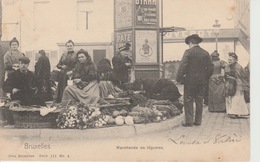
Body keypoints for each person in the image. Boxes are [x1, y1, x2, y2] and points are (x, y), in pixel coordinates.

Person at [176, 34, 214, 127]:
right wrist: (205, 77)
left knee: (188, 100)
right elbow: (211, 67)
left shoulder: (188, 52)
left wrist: (179, 78)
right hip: (201, 81)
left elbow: (182, 66)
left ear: (191, 43)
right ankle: (198, 121)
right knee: (199, 100)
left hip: (189, 81)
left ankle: (189, 121)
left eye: (189, 44)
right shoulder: (205, 53)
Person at [225, 52, 249, 118]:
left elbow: (243, 76)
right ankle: (231, 111)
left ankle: (236, 112)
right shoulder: (227, 66)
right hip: (230, 84)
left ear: (235, 60)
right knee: (230, 98)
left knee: (237, 98)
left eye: (231, 60)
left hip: (238, 84)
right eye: (228, 59)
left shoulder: (238, 67)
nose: (229, 61)